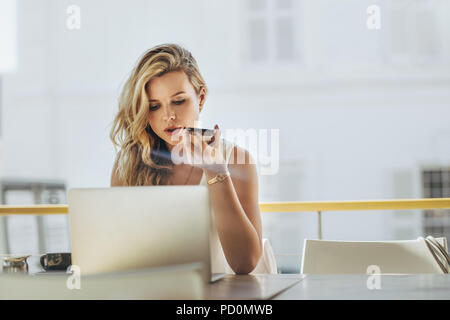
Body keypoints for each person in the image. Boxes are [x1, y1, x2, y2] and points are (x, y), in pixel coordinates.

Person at [109, 43, 272, 274]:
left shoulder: (237, 159)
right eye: (154, 106)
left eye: (178, 101)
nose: (168, 116)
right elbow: (117, 252)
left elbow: (245, 263)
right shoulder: (128, 165)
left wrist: (216, 171)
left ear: (201, 98)